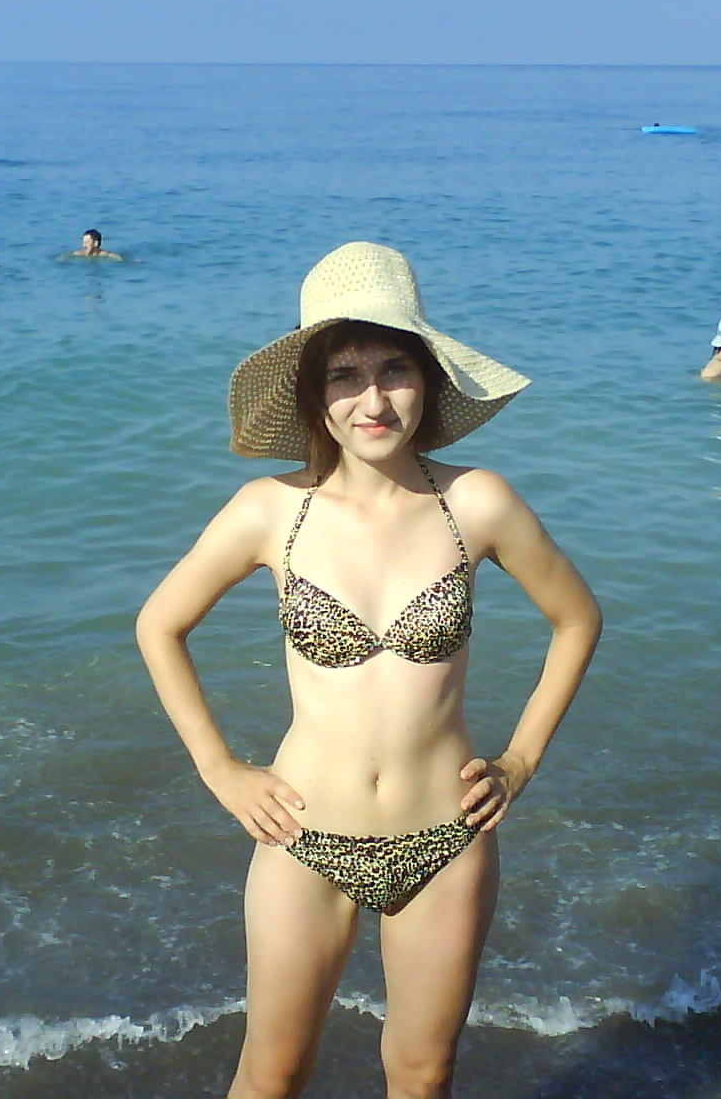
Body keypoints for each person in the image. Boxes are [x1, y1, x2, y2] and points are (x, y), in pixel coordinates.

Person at [136, 241, 603, 1098]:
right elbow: (159, 626)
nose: (374, 399)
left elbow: (577, 618)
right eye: (345, 376)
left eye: (395, 370)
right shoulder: (270, 511)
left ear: (429, 380)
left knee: (421, 1077)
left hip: (446, 837)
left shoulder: (475, 503)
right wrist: (220, 768)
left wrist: (520, 760)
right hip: (303, 836)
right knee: (271, 1075)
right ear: (315, 396)